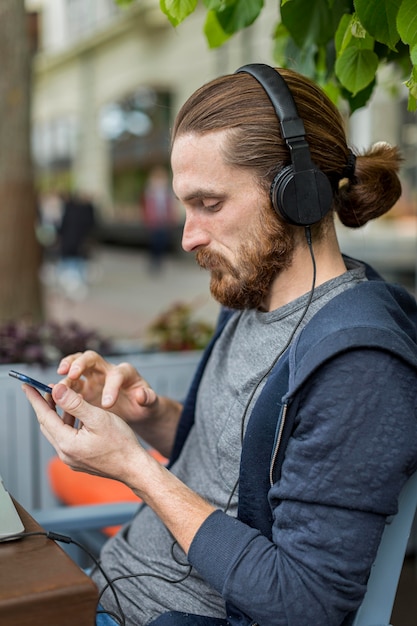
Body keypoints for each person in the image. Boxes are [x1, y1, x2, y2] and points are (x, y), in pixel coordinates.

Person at [25, 64, 417, 626]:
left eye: (210, 205)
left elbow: (304, 603)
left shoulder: (362, 365)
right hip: (106, 589)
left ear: (298, 195)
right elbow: (244, 462)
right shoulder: (255, 298)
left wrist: (135, 469)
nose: (188, 236)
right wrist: (147, 413)